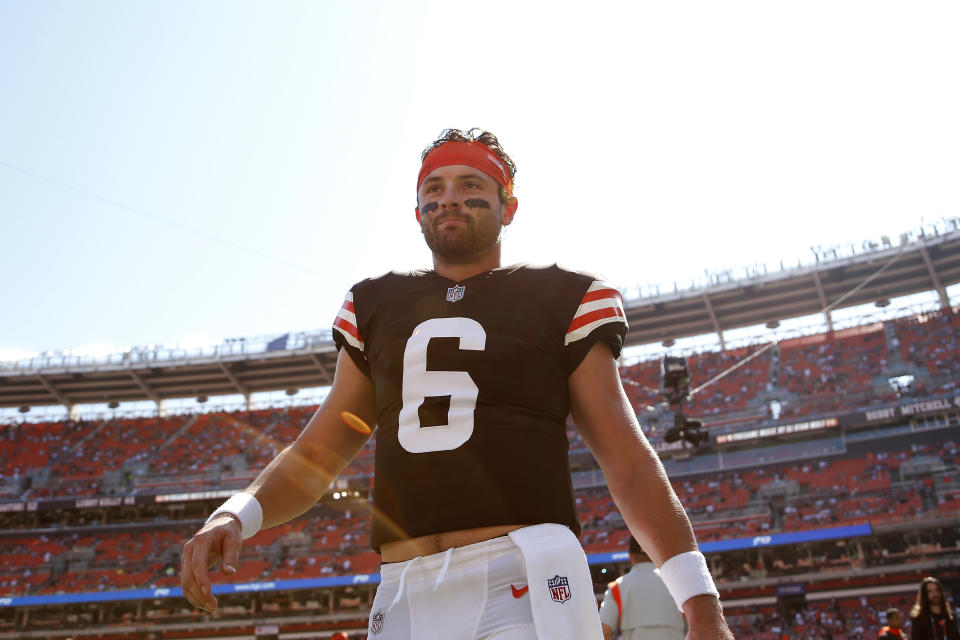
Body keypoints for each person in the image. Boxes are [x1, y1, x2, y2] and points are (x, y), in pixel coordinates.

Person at [180, 128, 734, 640]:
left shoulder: (565, 295)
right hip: (403, 585)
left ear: (507, 206)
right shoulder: (373, 304)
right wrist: (233, 514)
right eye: (435, 187)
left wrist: (700, 601)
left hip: (524, 570)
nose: (449, 197)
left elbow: (626, 458)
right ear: (417, 209)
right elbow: (319, 450)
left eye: (471, 185)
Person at [599, 537, 687, 640]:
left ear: (630, 556)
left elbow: (603, 631)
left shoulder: (617, 586)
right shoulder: (678, 582)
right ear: (656, 553)